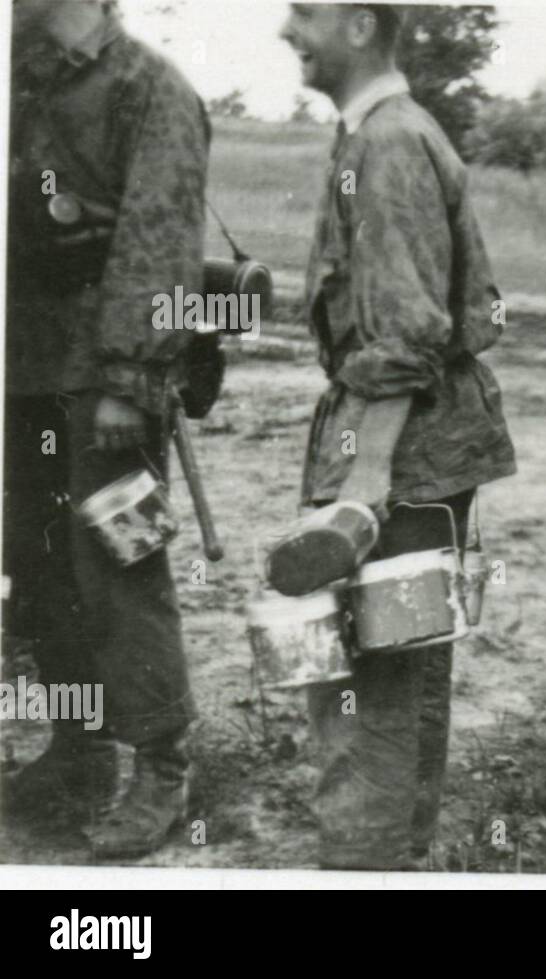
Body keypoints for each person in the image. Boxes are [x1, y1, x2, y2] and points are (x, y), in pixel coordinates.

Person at [279, 3, 515, 870]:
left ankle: (363, 859)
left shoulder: (387, 143)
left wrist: (363, 483)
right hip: (420, 446)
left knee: (365, 673)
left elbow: (408, 333)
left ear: (359, 24)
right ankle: (395, 849)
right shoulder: (379, 132)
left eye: (304, 11)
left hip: (399, 451)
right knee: (404, 660)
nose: (285, 29)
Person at [2, 0, 208, 859]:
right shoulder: (18, 78)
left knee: (125, 560)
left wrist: (132, 377)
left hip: (109, 378)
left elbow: (161, 244)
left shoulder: (149, 87)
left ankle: (164, 765)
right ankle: (77, 747)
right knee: (36, 560)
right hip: (24, 364)